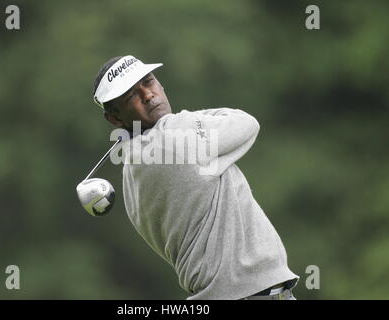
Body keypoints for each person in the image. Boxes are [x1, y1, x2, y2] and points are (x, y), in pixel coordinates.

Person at [92, 55, 299, 300]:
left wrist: (186, 122)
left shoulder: (131, 170)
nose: (148, 95)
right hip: (250, 295)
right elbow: (246, 123)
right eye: (132, 97)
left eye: (149, 82)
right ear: (115, 118)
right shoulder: (172, 137)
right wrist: (186, 119)